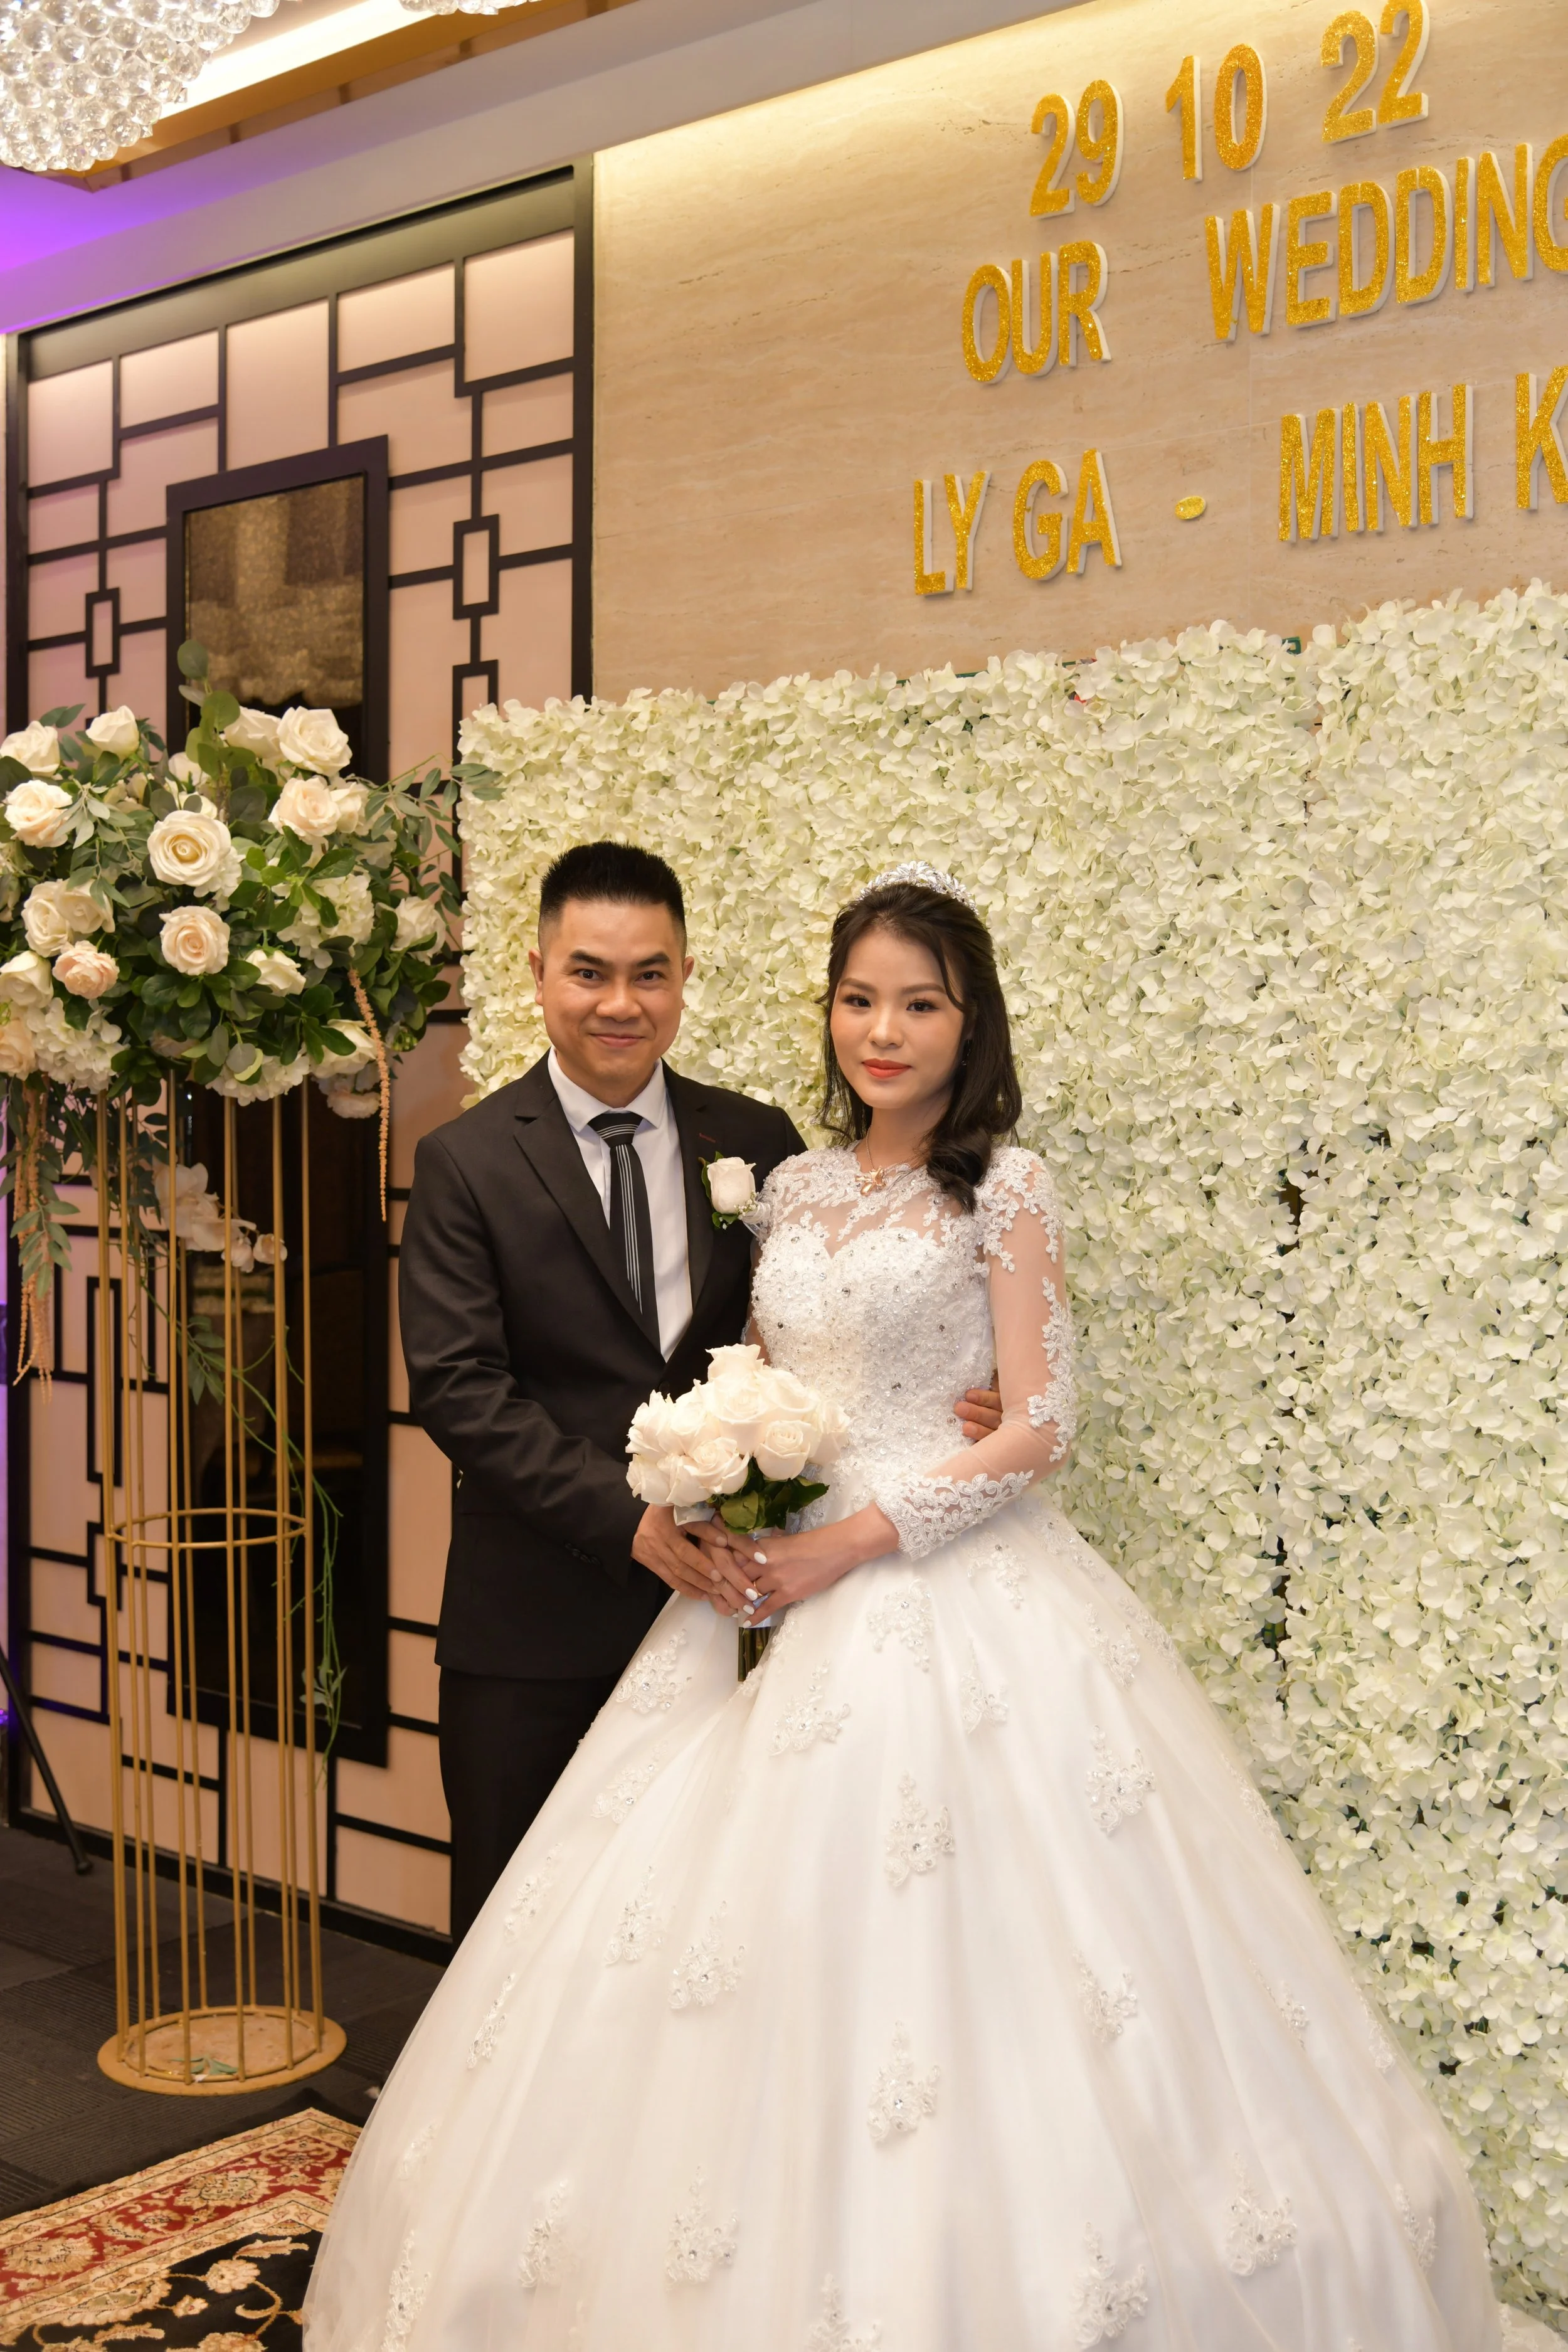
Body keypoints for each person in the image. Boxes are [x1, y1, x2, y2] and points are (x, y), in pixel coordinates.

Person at [311, 866, 1526, 2352]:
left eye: (917, 1003)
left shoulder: (997, 1183)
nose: (881, 1031)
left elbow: (1036, 1425)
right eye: (857, 1000)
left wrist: (879, 1509)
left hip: (926, 1586)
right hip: (747, 1578)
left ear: (967, 1018)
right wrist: (729, 1474)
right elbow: (740, 1378)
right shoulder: (793, 1178)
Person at [397, 841, 1000, 1941]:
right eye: (589, 972)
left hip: (733, 1613)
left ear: (683, 977)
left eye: (649, 973)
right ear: (537, 973)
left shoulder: (760, 1143)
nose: (619, 1003)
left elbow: (816, 1335)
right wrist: (632, 1523)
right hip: (532, 1620)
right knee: (513, 1934)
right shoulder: (464, 1162)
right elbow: (459, 1392)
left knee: (699, 1936)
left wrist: (975, 1396)